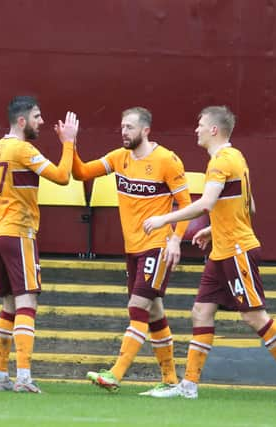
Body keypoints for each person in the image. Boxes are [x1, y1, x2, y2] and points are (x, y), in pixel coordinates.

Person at [143, 106, 276, 402]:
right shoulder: (237, 157)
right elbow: (250, 206)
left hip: (237, 250)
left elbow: (206, 203)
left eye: (199, 125)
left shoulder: (221, 161)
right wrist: (213, 230)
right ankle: (189, 385)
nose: (195, 129)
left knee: (254, 316)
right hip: (222, 249)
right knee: (201, 311)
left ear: (213, 130)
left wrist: (164, 220)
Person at [73, 107, 192, 394]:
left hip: (157, 246)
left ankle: (115, 373)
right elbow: (81, 173)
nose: (124, 132)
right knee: (153, 313)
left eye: (129, 127)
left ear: (146, 130)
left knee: (137, 307)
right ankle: (171, 381)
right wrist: (70, 143)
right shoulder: (119, 158)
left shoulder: (167, 160)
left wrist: (175, 239)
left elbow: (187, 205)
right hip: (133, 248)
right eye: (122, 127)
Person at [0, 95, 79, 393]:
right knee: (27, 303)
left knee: (8, 306)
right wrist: (68, 143)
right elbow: (62, 176)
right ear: (22, 121)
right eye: (37, 117)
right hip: (19, 233)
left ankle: (0, 376)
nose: (41, 122)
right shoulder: (22, 149)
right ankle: (24, 377)